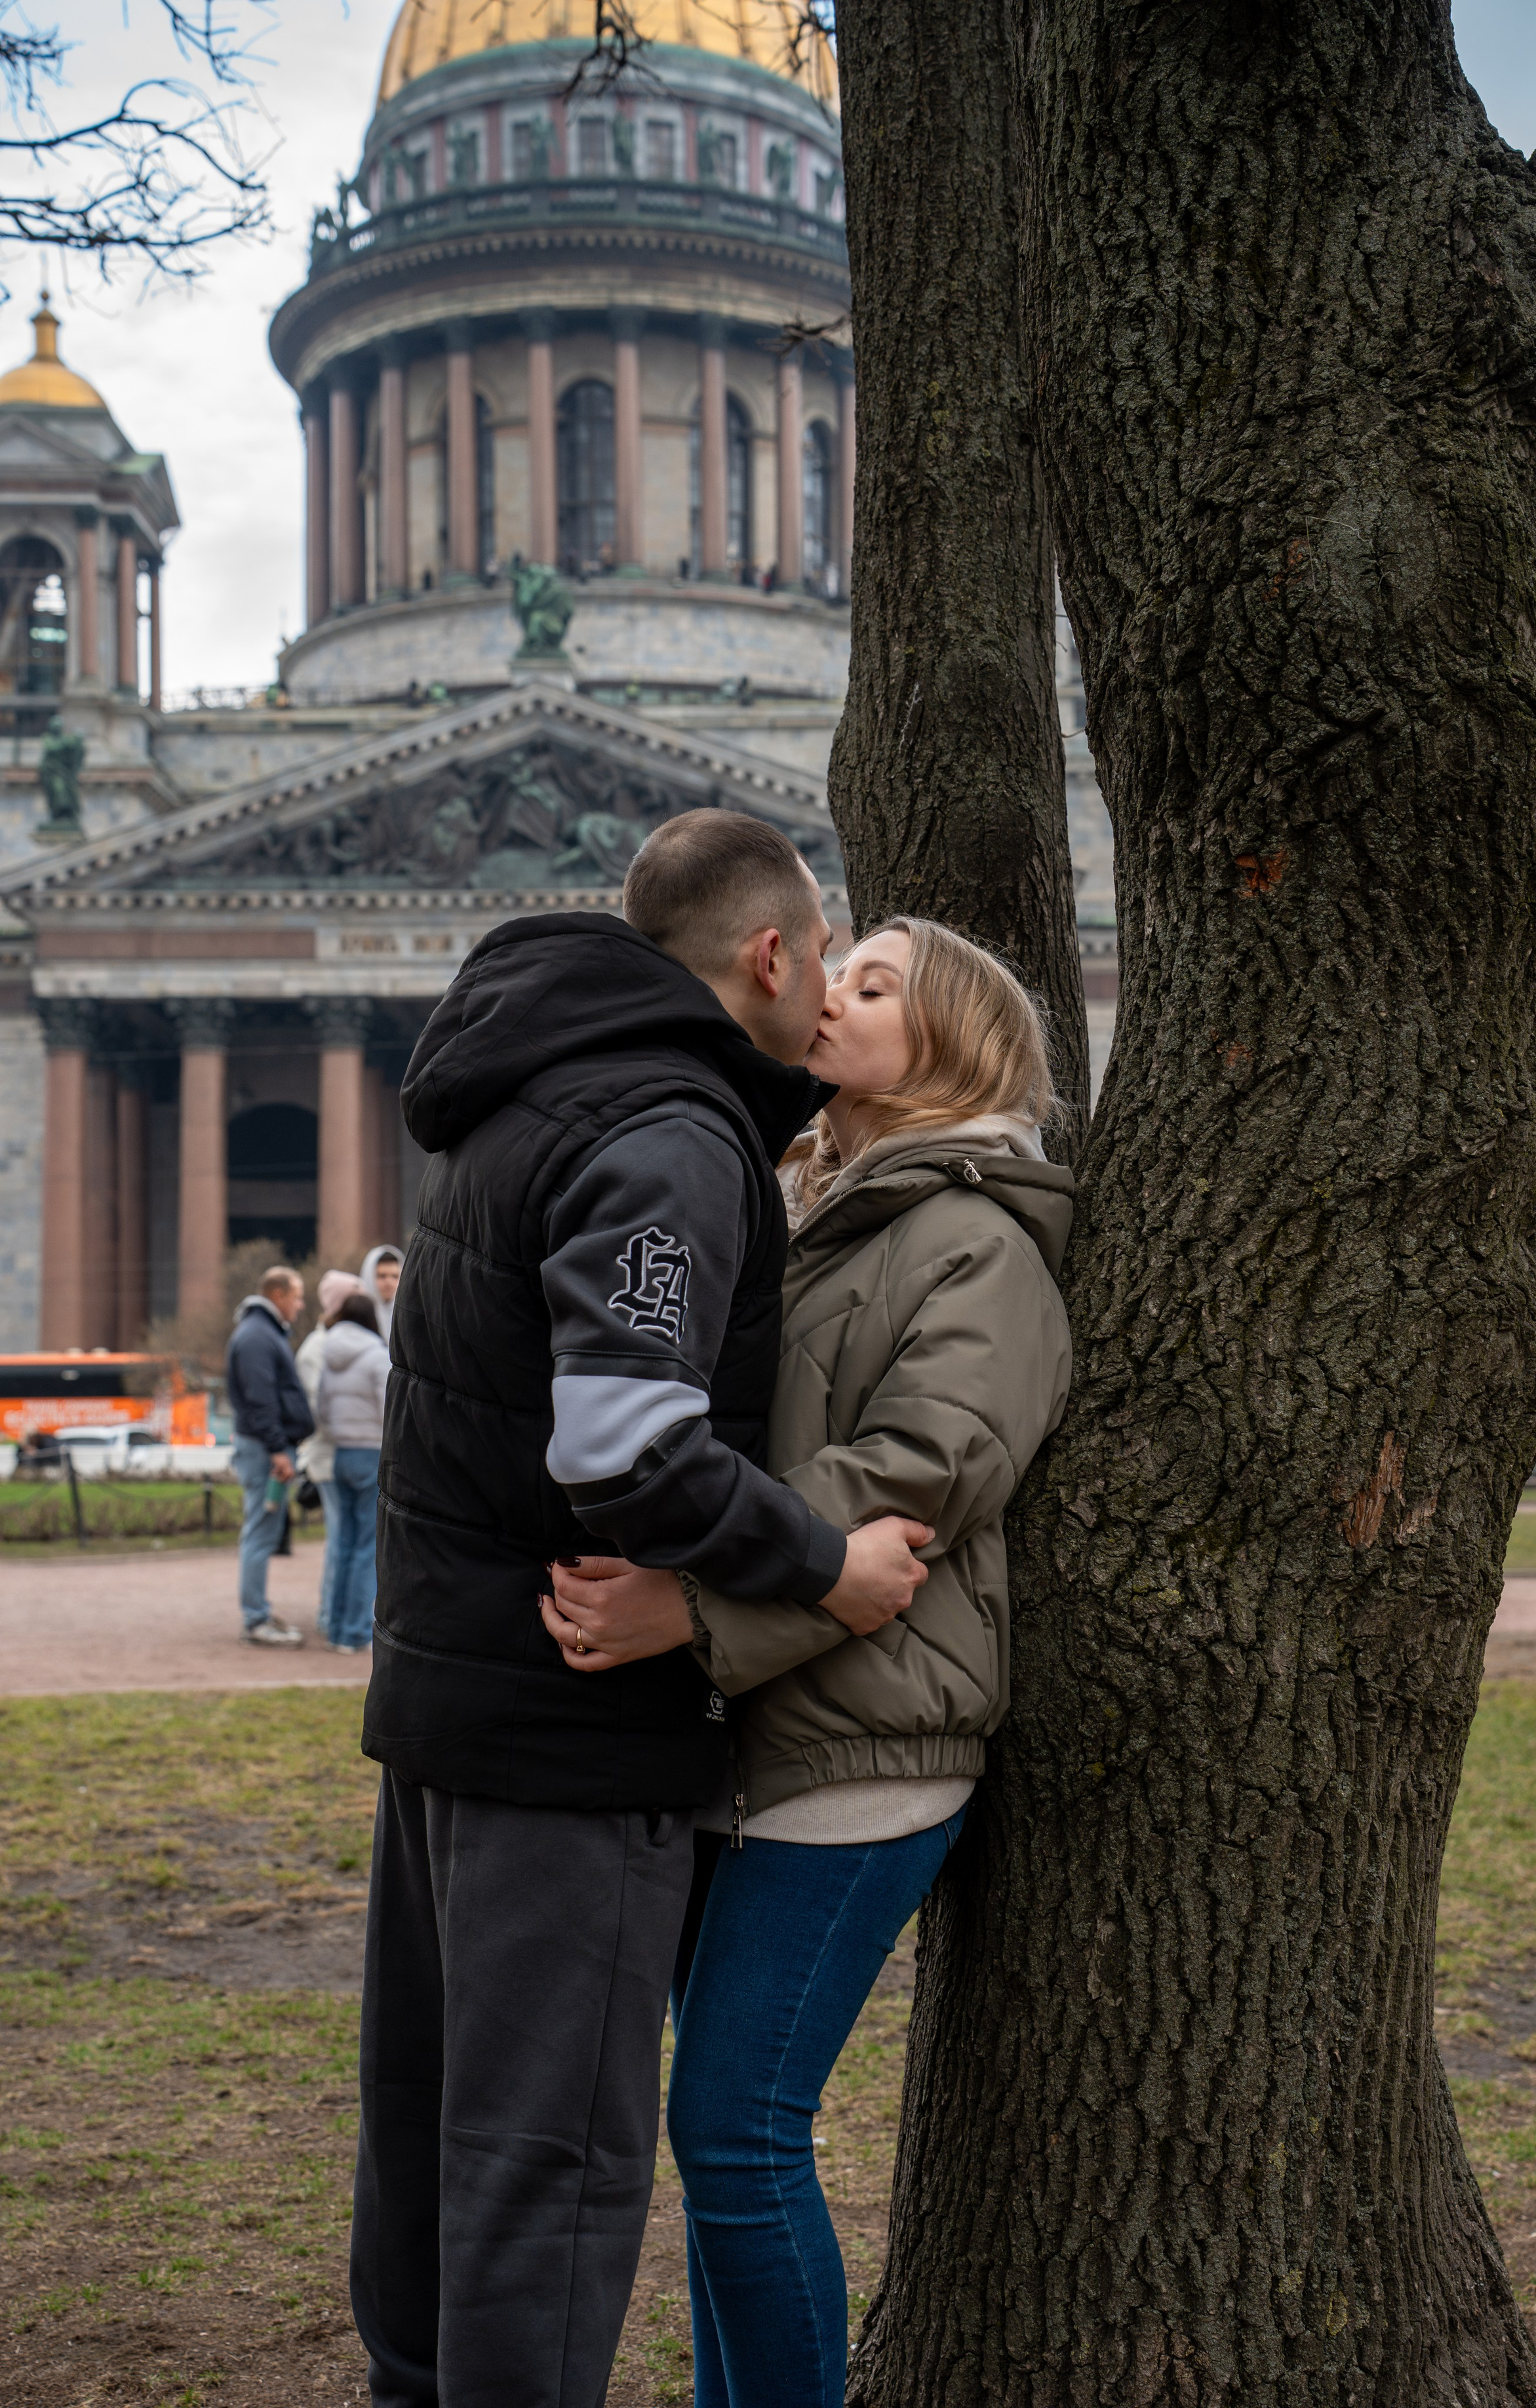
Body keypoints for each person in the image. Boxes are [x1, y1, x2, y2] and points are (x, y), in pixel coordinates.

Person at [351, 811, 932, 2408]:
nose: (823, 994)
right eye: (820, 957)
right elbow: (621, 1440)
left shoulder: (519, 1093)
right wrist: (826, 1562)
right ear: (766, 954)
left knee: (424, 2135)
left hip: (451, 1705)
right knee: (549, 2166)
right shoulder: (669, 1129)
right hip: (572, 1731)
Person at [547, 917, 1074, 2408]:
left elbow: (916, 1481)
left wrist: (696, 1614)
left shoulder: (978, 1233)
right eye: (833, 967)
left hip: (868, 1740)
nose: (826, 990)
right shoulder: (801, 1197)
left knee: (734, 2125)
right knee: (720, 2136)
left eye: (872, 981)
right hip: (751, 1728)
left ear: (953, 1042)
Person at [225, 1265, 313, 1648]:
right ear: (277, 1294)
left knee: (263, 1532)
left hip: (265, 1448)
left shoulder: (259, 1332)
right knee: (261, 1534)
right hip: (265, 1451)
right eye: (296, 1296)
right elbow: (260, 1399)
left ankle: (258, 1611)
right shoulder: (259, 1336)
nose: (301, 1304)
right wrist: (278, 1448)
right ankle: (256, 1618)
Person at [316, 1289, 391, 1653]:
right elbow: (389, 1409)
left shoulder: (328, 1355)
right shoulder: (377, 1357)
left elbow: (322, 1409)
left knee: (343, 1543)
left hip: (341, 1454)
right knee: (366, 1547)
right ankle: (355, 1631)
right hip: (370, 1452)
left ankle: (334, 1625)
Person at [295, 1267, 366, 1636]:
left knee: (343, 1541)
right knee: (343, 1540)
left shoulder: (327, 1345)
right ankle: (334, 1618)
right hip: (331, 1456)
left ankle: (333, 1616)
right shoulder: (318, 1349)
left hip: (339, 1453)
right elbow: (317, 1410)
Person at [359, 1243, 404, 1343]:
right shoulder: (358, 1318)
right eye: (382, 1276)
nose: (389, 1282)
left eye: (395, 1276)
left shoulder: (407, 1317)